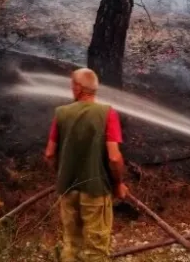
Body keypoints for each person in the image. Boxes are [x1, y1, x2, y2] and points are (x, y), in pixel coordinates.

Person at [44, 68, 128, 262]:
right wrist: (118, 184)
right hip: (96, 191)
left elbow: (49, 154)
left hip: (67, 189)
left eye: (72, 85)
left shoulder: (61, 113)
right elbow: (114, 158)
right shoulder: (107, 113)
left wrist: (62, 173)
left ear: (79, 88)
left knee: (71, 245)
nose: (71, 89)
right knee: (96, 249)